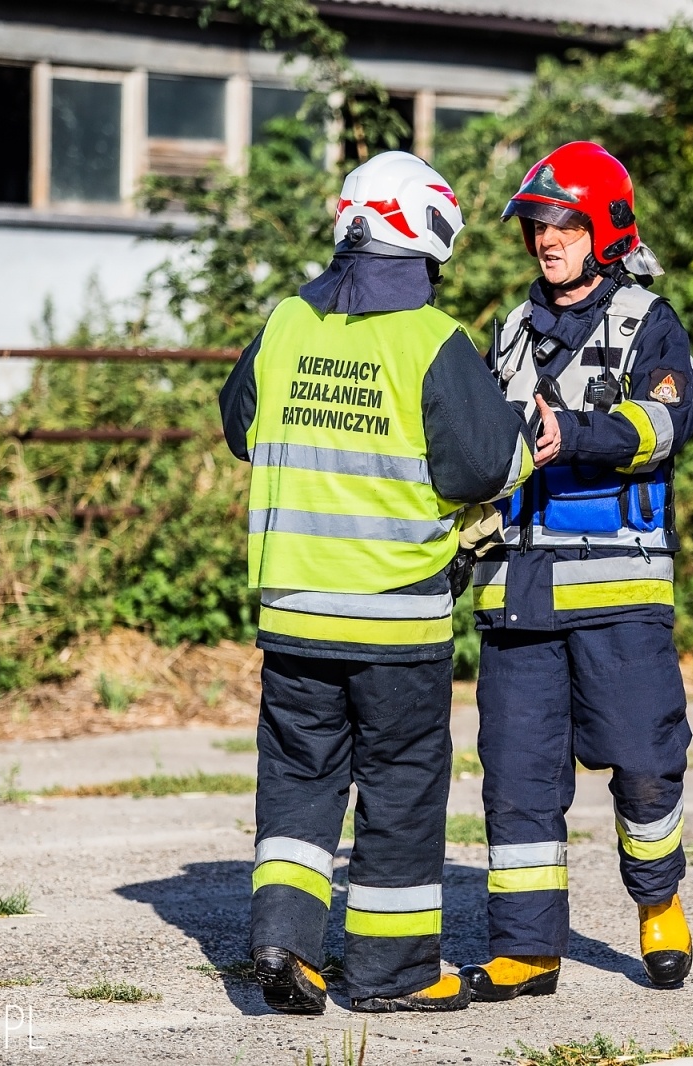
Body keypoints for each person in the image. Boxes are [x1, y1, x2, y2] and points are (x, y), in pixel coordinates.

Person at [219, 150, 532, 1015]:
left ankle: (285, 940)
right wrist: (521, 442)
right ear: (425, 236)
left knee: (297, 777)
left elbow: (240, 425)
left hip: (294, 613)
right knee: (398, 784)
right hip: (396, 619)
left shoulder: (286, 323)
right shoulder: (432, 340)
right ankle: (391, 974)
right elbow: (478, 466)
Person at [459, 141, 693, 1001]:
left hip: (620, 592)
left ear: (602, 226)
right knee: (518, 777)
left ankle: (658, 900)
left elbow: (672, 423)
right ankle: (528, 950)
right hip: (517, 595)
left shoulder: (647, 321)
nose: (543, 239)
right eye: (535, 224)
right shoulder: (508, 332)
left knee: (644, 758)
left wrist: (581, 433)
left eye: (559, 221)